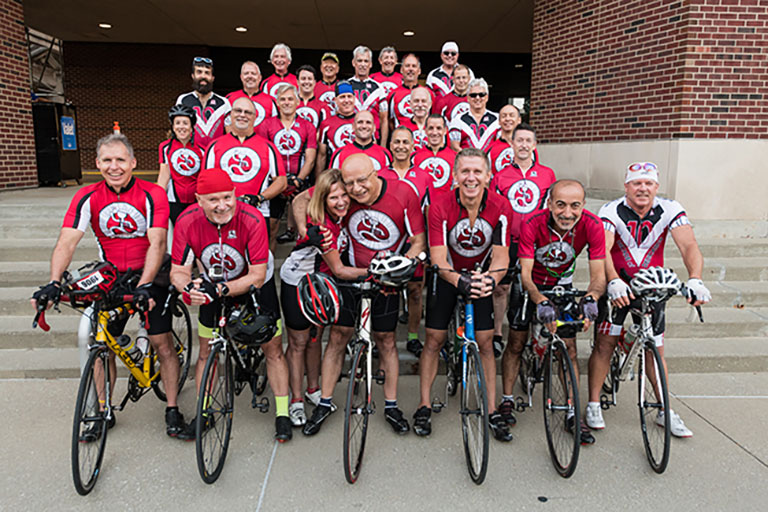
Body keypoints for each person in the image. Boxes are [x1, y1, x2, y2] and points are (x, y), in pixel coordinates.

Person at [32, 133, 187, 439]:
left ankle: (172, 409)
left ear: (133, 162)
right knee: (101, 343)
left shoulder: (152, 193)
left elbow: (157, 243)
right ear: (97, 164)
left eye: (120, 160)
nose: (114, 166)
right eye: (107, 160)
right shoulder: (87, 196)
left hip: (151, 274)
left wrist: (144, 285)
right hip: (113, 276)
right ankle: (103, 410)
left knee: (162, 343)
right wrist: (53, 281)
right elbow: (67, 241)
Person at [302, 154, 426, 436]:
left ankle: (392, 405)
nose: (356, 189)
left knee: (386, 341)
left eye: (362, 181)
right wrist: (303, 227)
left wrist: (402, 262)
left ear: (376, 173)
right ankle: (324, 402)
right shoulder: (344, 194)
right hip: (350, 275)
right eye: (350, 183)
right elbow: (302, 199)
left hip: (387, 279)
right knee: (337, 337)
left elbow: (418, 238)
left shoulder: (403, 192)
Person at [586, 162, 711, 438]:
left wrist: (695, 277)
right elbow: (602, 249)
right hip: (617, 285)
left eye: (648, 183)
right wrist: (613, 279)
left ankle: (665, 409)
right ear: (626, 186)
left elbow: (689, 245)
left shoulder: (670, 209)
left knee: (656, 349)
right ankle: (594, 403)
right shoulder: (610, 210)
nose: (642, 188)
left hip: (653, 286)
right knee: (605, 344)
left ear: (656, 186)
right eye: (636, 183)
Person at [169, 169, 293, 441]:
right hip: (213, 286)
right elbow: (178, 270)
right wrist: (188, 287)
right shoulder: (186, 221)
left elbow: (257, 276)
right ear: (199, 199)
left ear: (235, 194)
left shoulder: (252, 218)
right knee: (205, 353)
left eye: (227, 197)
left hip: (255, 283)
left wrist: (221, 289)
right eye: (213, 199)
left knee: (272, 349)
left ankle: (282, 413)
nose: (222, 205)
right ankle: (204, 412)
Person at [413, 148, 513, 441]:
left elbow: (502, 257)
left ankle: (492, 409)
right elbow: (439, 258)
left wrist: (490, 282)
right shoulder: (441, 205)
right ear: (455, 176)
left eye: (477, 171)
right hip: (447, 275)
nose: (471, 178)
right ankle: (424, 404)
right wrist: (458, 280)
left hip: (482, 276)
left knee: (484, 342)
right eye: (465, 172)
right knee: (433, 339)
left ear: (488, 176)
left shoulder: (501, 205)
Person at [503, 179, 605, 445]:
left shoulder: (593, 226)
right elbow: (525, 275)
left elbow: (598, 275)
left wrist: (591, 298)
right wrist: (539, 300)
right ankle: (506, 400)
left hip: (563, 285)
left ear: (583, 206)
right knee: (516, 342)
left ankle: (572, 412)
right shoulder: (532, 223)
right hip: (530, 285)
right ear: (549, 204)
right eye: (560, 205)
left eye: (574, 205)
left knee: (569, 349)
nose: (567, 213)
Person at [280, 169, 367, 425]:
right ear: (323, 200)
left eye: (343, 195)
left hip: (321, 283)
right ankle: (295, 400)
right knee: (298, 342)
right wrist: (375, 271)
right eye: (333, 198)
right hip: (298, 283)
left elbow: (299, 198)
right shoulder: (322, 226)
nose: (341, 201)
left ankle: (313, 389)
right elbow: (340, 269)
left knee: (316, 337)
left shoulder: (340, 214)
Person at [491, 123, 555, 357]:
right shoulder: (500, 176)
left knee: (537, 284)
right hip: (509, 241)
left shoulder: (547, 174)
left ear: (535, 145)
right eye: (520, 140)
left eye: (529, 141)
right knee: (501, 288)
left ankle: (536, 334)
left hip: (537, 242)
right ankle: (498, 333)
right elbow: (495, 211)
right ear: (512, 143)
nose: (524, 145)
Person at [380, 126, 432, 357]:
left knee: (415, 291)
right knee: (384, 291)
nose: (401, 146)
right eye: (396, 142)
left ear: (413, 147)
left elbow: (429, 211)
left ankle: (412, 336)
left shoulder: (423, 176)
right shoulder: (380, 175)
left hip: (415, 241)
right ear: (390, 146)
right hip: (388, 241)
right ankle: (382, 336)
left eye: (405, 142)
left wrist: (429, 246)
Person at [203, 97, 287, 222]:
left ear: (255, 117)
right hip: (222, 214)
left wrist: (260, 198)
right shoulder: (214, 146)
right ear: (230, 115)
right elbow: (205, 180)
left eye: (247, 112)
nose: (242, 115)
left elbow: (281, 181)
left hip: (258, 214)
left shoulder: (269, 147)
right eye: (238, 111)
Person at [256, 84, 317, 250]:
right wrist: (279, 180)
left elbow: (310, 159)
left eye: (290, 99)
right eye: (282, 99)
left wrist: (298, 180)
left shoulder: (307, 126)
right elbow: (264, 156)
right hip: (275, 180)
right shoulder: (266, 125)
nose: (287, 102)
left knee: (304, 228)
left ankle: (299, 267)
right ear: (277, 102)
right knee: (271, 228)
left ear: (297, 101)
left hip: (300, 180)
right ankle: (267, 267)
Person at [157, 104, 205, 224]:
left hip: (196, 200)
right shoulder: (165, 147)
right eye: (177, 123)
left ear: (191, 127)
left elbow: (203, 177)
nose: (181, 127)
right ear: (173, 127)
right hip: (173, 200)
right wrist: (157, 198)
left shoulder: (202, 150)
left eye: (185, 123)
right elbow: (164, 175)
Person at [176, 56, 230, 149]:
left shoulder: (224, 103)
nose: (203, 76)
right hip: (191, 154)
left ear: (212, 78)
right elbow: (177, 131)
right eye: (199, 72)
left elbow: (230, 135)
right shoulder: (183, 100)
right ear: (193, 76)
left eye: (207, 73)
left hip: (216, 154)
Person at [348, 45, 389, 144]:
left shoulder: (379, 88)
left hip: (373, 141)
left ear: (370, 64)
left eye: (366, 61)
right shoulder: (346, 85)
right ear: (353, 63)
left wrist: (383, 146)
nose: (363, 64)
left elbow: (384, 120)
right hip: (349, 139)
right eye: (359, 61)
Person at [315, 81, 356, 174]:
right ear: (335, 100)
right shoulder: (326, 124)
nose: (346, 100)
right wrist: (318, 183)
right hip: (335, 175)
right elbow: (322, 156)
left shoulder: (363, 122)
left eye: (349, 96)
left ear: (354, 99)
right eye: (342, 97)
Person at [448, 78, 499, 152]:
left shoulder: (497, 119)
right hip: (466, 162)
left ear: (487, 97)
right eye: (473, 95)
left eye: (481, 95)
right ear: (468, 98)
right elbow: (454, 147)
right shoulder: (457, 119)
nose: (477, 98)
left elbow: (500, 146)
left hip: (490, 162)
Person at [226, 61, 278, 131]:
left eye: (253, 73)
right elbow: (226, 125)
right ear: (241, 77)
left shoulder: (271, 101)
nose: (250, 76)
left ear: (260, 78)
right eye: (246, 73)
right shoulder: (230, 98)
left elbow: (275, 127)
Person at [412, 114, 456, 194]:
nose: (434, 132)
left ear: (445, 131)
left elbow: (457, 187)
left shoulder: (455, 157)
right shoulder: (414, 157)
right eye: (431, 128)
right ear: (425, 131)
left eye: (439, 128)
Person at [389, 54, 433, 129]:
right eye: (407, 66)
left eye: (414, 66)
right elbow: (390, 121)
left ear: (419, 71)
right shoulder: (393, 94)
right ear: (401, 70)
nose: (410, 69)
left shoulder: (428, 93)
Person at [486, 104, 522, 177]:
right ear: (499, 122)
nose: (507, 119)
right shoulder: (491, 149)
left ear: (519, 120)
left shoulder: (527, 147)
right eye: (504, 116)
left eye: (511, 115)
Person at [295, 64, 330, 131]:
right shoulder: (290, 104)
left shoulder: (323, 107)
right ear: (297, 82)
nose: (307, 82)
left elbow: (323, 131)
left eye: (310, 79)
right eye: (303, 79)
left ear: (314, 82)